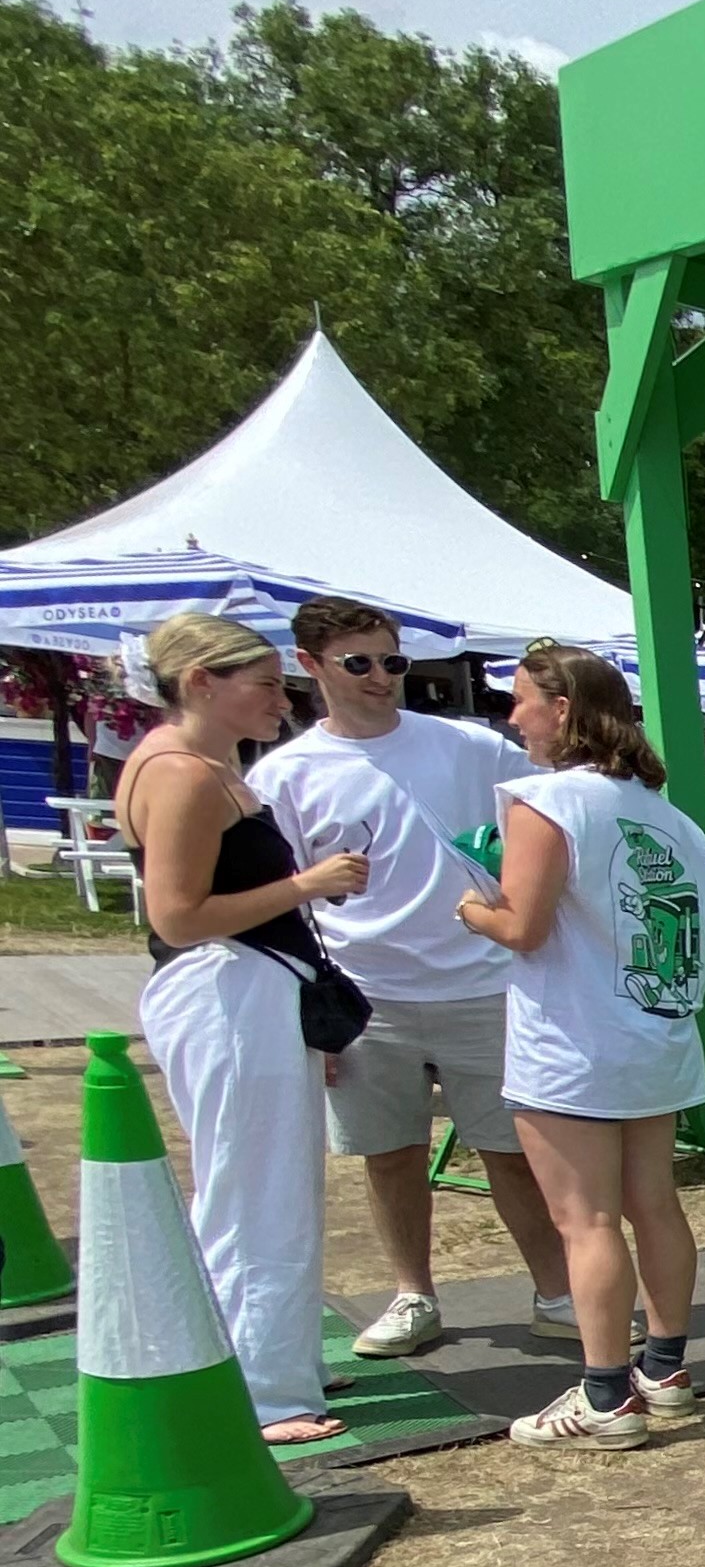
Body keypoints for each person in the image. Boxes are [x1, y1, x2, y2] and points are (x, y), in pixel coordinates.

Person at [253, 599, 575, 1362]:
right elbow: (282, 901)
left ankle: (559, 1292)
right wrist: (311, 1015)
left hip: (484, 983)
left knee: (513, 1152)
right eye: (357, 663)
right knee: (389, 1153)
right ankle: (412, 1294)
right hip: (367, 994)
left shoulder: (469, 746)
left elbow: (562, 795)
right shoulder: (284, 774)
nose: (380, 678)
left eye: (392, 662)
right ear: (311, 666)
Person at [456, 644, 705, 1450]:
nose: (513, 715)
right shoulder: (672, 818)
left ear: (561, 708)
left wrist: (473, 909)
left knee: (588, 1220)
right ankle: (664, 1368)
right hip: (655, 1033)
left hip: (573, 1039)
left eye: (522, 698)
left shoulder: (547, 800)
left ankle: (605, 1393)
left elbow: (523, 927)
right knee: (654, 1205)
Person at [122, 614, 370, 1442]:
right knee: (249, 1191)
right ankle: (260, 1390)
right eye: (263, 684)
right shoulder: (183, 775)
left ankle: (269, 1362)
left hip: (250, 992)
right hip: (225, 991)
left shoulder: (191, 766)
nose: (281, 699)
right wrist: (307, 883)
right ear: (202, 681)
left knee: (267, 1183)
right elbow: (180, 915)